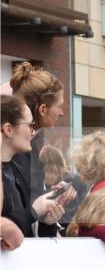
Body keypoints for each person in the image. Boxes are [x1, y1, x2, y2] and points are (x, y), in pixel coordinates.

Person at [1, 95, 67, 237]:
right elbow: (6, 230)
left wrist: (46, 222)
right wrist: (35, 210)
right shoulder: (11, 171)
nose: (33, 132)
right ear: (8, 130)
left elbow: (25, 232)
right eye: (30, 125)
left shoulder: (16, 170)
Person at [8, 62, 73, 206]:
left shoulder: (30, 145)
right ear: (43, 109)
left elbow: (28, 201)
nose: (61, 113)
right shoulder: (12, 149)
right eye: (59, 106)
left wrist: (51, 194)